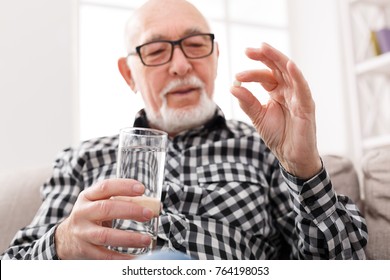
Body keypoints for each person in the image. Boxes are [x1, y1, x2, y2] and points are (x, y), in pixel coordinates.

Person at [1, 0, 367, 260]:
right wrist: (63, 242)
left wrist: (303, 167)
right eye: (157, 51)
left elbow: (344, 266)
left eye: (195, 45)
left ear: (215, 56)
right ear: (129, 74)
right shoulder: (82, 158)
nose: (180, 65)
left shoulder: (265, 148)